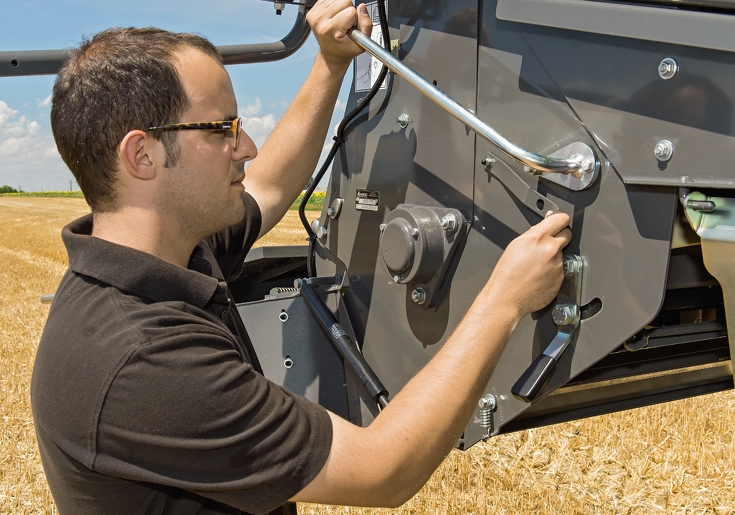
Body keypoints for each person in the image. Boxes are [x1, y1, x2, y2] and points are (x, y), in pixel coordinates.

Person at [31, 0, 572, 513]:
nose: (247, 148)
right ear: (142, 154)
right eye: (223, 129)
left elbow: (267, 187)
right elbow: (384, 470)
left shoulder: (170, 252)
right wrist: (504, 299)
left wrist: (329, 64)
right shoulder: (142, 362)